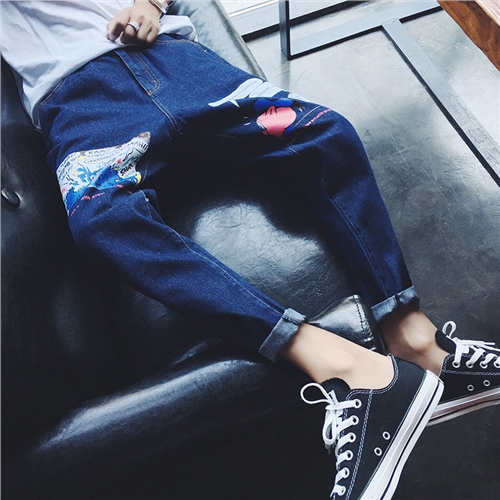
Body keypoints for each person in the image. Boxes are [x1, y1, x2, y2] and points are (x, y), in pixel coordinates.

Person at [2, 1, 499, 498]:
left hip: (173, 60)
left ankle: (416, 341)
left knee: (326, 130)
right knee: (100, 221)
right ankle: (348, 368)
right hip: (78, 100)